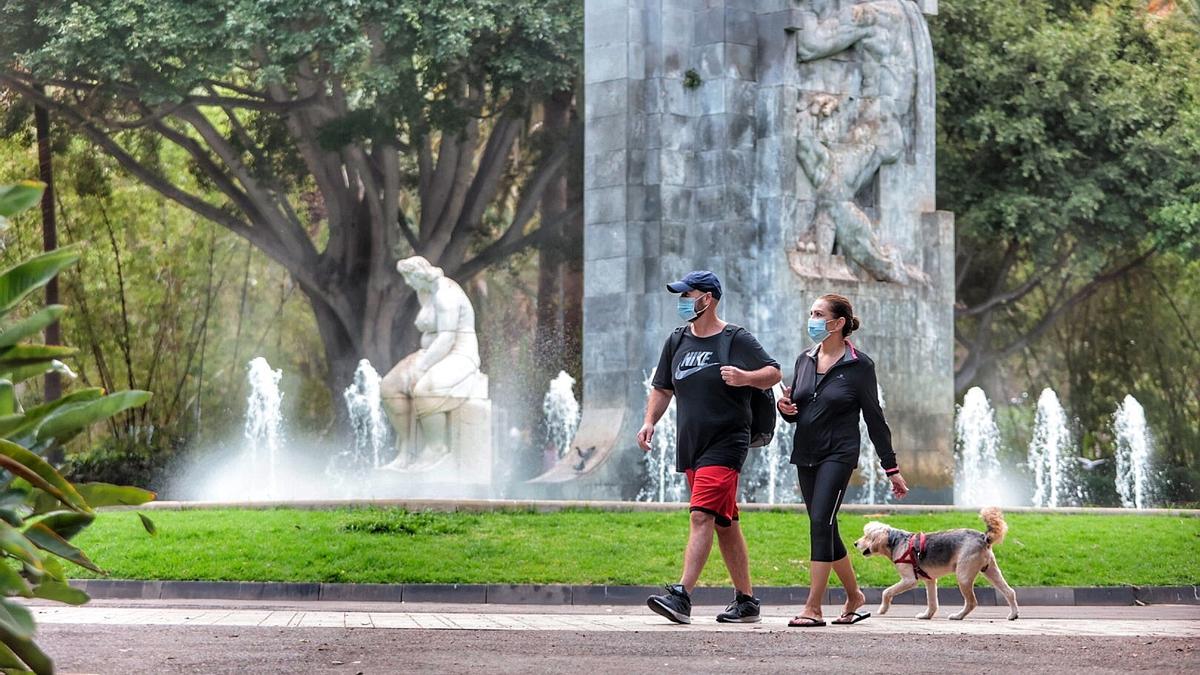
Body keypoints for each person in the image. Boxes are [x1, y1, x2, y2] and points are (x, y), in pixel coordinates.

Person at [638, 271, 782, 624]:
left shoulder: (736, 338)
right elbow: (662, 388)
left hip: (727, 442)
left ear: (710, 298)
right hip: (692, 445)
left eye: (690, 293)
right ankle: (747, 602)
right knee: (725, 523)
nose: (684, 300)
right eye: (681, 294)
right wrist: (649, 421)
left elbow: (774, 372)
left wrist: (746, 377)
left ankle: (682, 596)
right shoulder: (676, 340)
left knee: (701, 515)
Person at [777, 293, 909, 626]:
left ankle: (813, 607)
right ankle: (855, 596)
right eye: (810, 312)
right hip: (805, 453)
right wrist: (786, 410)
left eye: (819, 314)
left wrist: (890, 467)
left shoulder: (859, 365)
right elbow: (801, 409)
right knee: (825, 525)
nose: (812, 319)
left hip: (839, 454)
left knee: (821, 522)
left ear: (837, 323)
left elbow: (875, 418)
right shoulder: (804, 360)